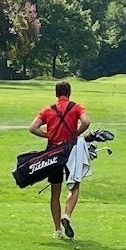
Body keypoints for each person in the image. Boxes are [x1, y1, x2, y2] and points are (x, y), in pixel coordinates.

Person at [29, 79, 89, 239]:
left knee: (55, 192)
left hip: (53, 153)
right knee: (74, 186)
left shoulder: (48, 110)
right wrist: (76, 133)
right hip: (71, 152)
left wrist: (48, 135)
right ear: (69, 93)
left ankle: (57, 230)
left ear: (56, 94)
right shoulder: (76, 107)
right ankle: (67, 215)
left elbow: (33, 128)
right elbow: (86, 122)